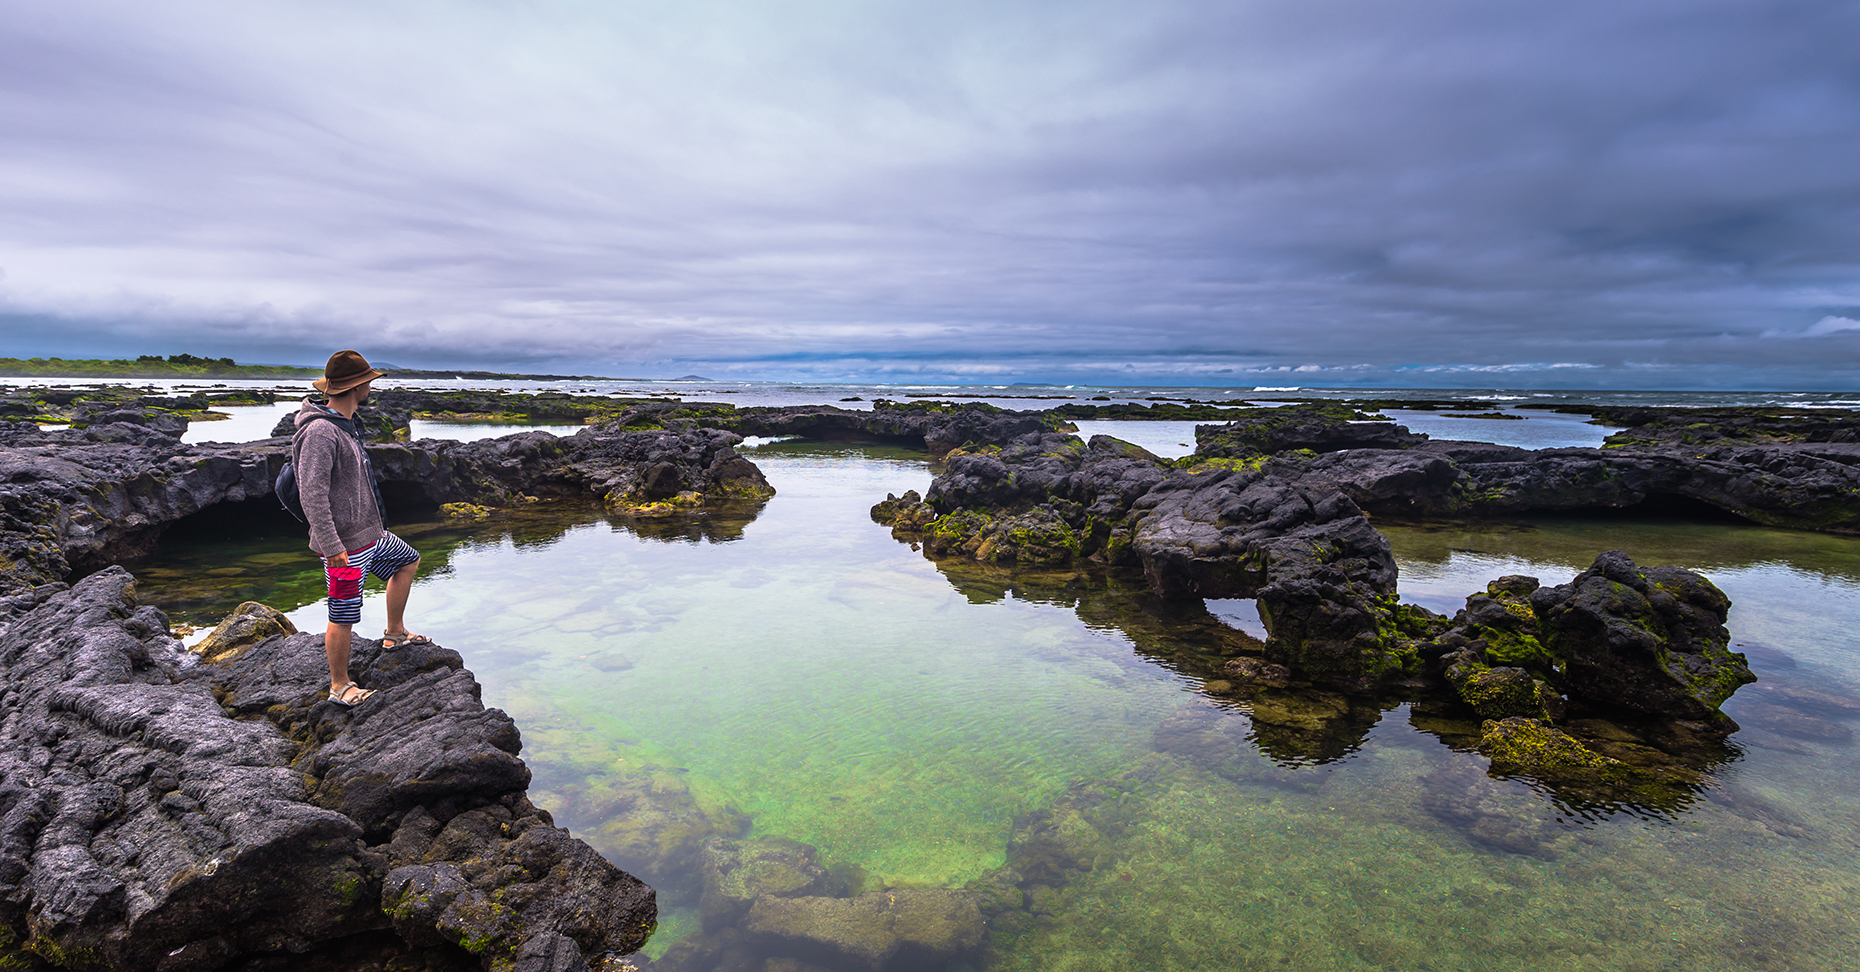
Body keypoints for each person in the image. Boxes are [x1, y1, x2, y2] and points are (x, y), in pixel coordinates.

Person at [293, 349, 428, 706]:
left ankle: (394, 633)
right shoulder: (321, 432)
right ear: (358, 386)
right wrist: (332, 545)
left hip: (371, 534)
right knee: (343, 614)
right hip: (346, 545)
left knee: (408, 560)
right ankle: (340, 687)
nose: (371, 386)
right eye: (368, 380)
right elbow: (312, 494)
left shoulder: (346, 423)